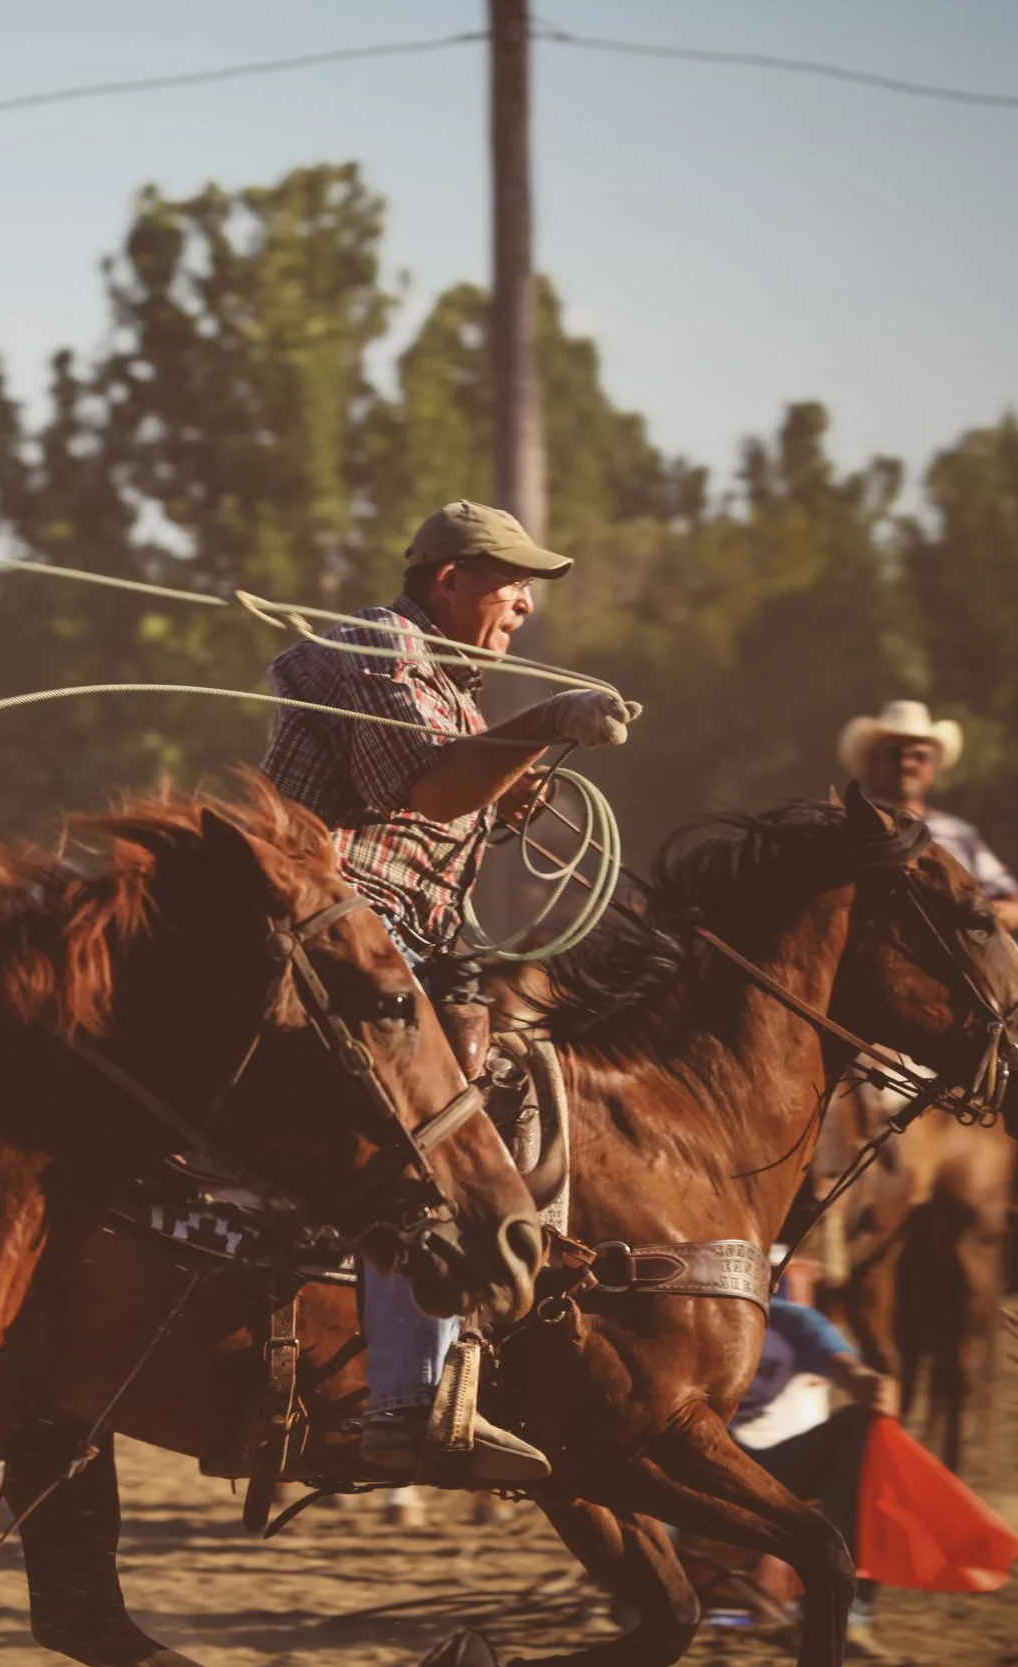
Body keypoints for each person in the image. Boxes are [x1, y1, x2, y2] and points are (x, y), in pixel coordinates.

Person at [258, 499, 642, 1487]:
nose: (522, 605)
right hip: (328, 924)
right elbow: (424, 791)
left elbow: (449, 796)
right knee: (428, 1118)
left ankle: (490, 1336)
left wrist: (512, 770)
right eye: (511, 583)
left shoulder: (456, 693)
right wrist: (547, 719)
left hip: (394, 938)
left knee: (500, 1051)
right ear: (447, 581)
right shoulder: (379, 647)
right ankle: (405, 1397)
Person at [727, 1268, 901, 1659]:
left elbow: (843, 1364)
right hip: (693, 1459)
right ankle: (638, 1600)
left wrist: (865, 1383)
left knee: (862, 1428)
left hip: (766, 1463)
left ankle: (847, 1616)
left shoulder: (794, 1321)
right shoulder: (690, 1316)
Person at [838, 698, 1018, 931]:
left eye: (919, 756)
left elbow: (1017, 904)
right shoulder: (841, 825)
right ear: (870, 761)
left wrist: (988, 913)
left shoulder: (959, 831)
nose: (907, 763)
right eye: (893, 754)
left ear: (934, 767)